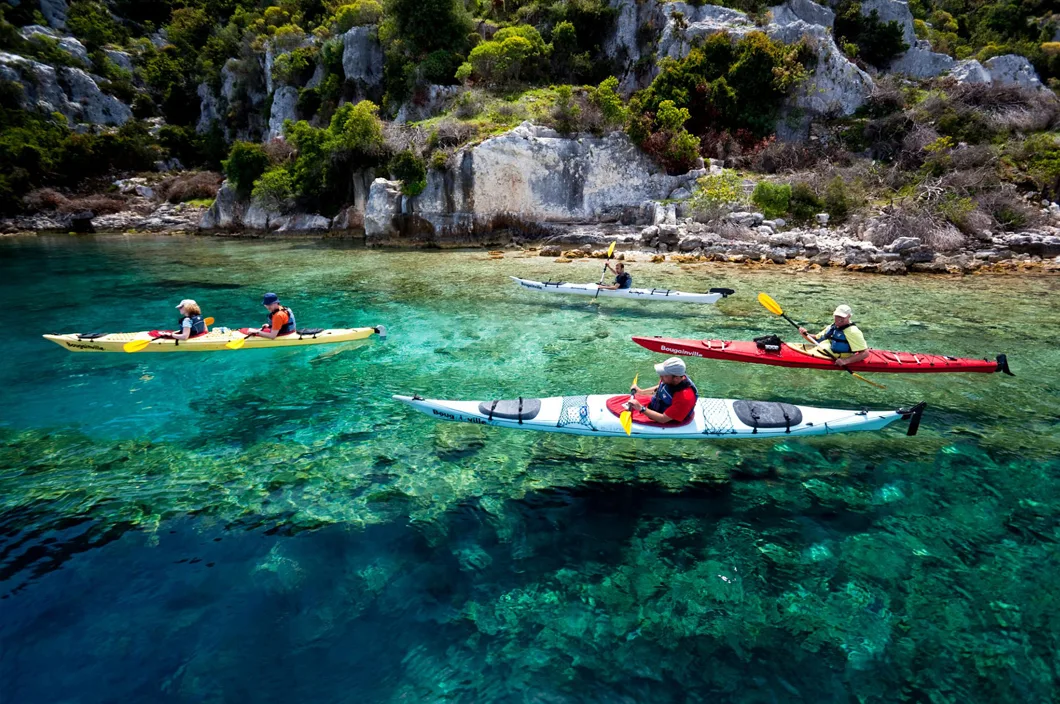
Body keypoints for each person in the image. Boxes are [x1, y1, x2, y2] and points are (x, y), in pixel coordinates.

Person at [628, 356, 699, 424]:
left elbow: (663, 419)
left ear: (676, 378)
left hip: (667, 419)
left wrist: (641, 408)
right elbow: (660, 388)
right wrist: (641, 392)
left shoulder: (685, 398)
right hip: (658, 407)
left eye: (664, 375)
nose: (660, 376)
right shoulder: (672, 379)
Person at [798, 304, 870, 367]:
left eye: (842, 317)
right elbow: (816, 340)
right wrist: (805, 334)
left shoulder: (853, 332)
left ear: (849, 316)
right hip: (820, 353)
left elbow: (865, 353)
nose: (839, 319)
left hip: (833, 359)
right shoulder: (833, 326)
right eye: (837, 316)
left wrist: (845, 361)